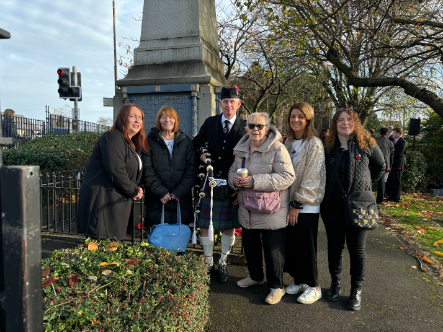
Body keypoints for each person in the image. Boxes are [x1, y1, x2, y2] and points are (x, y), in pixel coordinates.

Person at [321, 107, 385, 311]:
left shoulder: (367, 143)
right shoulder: (327, 146)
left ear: (355, 122)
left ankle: (356, 290)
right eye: (340, 120)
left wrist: (366, 187)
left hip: (359, 206)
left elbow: (380, 167)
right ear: (335, 123)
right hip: (333, 205)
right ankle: (335, 283)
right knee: (335, 247)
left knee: (357, 250)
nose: (345, 123)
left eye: (349, 119)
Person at [228, 112, 295, 305]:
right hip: (247, 207)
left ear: (267, 129)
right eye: (251, 126)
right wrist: (235, 180)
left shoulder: (277, 148)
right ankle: (256, 276)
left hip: (271, 209)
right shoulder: (241, 148)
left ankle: (277, 286)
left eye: (260, 126)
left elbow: (287, 177)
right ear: (246, 128)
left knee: (273, 250)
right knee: (251, 246)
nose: (255, 129)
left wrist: (254, 181)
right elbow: (233, 170)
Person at [193, 86, 247, 283]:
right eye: (225, 101)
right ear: (220, 103)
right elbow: (197, 142)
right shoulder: (210, 122)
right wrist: (201, 153)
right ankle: (208, 262)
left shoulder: (246, 127)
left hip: (232, 183)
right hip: (211, 181)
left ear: (238, 104)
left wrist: (240, 186)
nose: (229, 105)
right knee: (206, 225)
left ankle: (223, 262)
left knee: (228, 226)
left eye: (233, 102)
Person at [78, 104, 148, 240]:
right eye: (133, 116)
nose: (137, 120)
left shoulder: (129, 143)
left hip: (116, 202)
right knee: (103, 253)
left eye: (140, 117)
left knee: (112, 252)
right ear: (122, 118)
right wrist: (134, 190)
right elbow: (116, 170)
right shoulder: (113, 138)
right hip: (103, 203)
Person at [283, 102, 326, 304]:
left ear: (308, 119)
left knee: (307, 246)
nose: (296, 120)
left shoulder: (314, 144)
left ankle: (315, 286)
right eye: (293, 116)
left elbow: (311, 178)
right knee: (295, 245)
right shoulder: (290, 143)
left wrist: (296, 205)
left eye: (300, 116)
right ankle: (299, 280)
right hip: (291, 204)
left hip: (305, 206)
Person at [141, 106, 196, 231]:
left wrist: (178, 193)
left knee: (179, 245)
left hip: (180, 200)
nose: (167, 120)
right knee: (158, 245)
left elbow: (191, 169)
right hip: (157, 200)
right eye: (163, 117)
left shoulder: (185, 141)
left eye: (171, 117)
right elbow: (147, 170)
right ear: (158, 120)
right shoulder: (148, 141)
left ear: (175, 120)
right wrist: (161, 192)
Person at [386, 128, 407, 202]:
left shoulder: (402, 142)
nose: (392, 134)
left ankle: (396, 197)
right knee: (392, 181)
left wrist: (391, 152)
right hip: (393, 164)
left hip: (398, 164)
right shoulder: (394, 141)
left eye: (394, 133)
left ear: (398, 133)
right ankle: (391, 196)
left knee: (397, 181)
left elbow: (399, 152)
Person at [375, 128, 394, 203]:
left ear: (379, 133)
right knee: (382, 183)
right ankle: (380, 199)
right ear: (387, 133)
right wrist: (389, 167)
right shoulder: (390, 143)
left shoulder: (375, 140)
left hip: (374, 164)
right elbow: (391, 156)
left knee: (369, 181)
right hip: (385, 165)